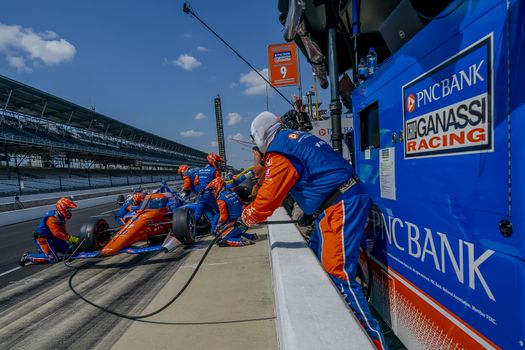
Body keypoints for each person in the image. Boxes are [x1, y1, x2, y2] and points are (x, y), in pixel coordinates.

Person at [237, 111, 387, 349]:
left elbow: (267, 200)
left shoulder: (280, 151)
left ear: (260, 136)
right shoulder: (294, 139)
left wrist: (244, 219)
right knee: (316, 254)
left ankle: (374, 341)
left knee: (337, 272)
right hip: (337, 203)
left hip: (341, 204)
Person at [19, 198, 80, 266]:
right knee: (53, 259)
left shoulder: (61, 217)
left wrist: (72, 239)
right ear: (62, 209)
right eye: (68, 210)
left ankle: (47, 251)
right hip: (43, 239)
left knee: (71, 251)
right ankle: (28, 256)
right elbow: (56, 233)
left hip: (54, 239)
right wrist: (70, 238)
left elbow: (63, 232)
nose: (69, 212)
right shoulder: (51, 218)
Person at [206, 177, 258, 246]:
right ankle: (251, 236)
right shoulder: (232, 192)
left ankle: (241, 241)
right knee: (232, 232)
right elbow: (242, 204)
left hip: (238, 223)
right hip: (245, 220)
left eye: (212, 189)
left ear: (217, 187)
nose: (212, 192)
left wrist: (217, 227)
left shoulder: (220, 199)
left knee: (221, 238)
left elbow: (223, 217)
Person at [193, 152, 223, 233]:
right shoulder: (214, 171)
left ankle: (190, 230)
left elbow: (195, 183)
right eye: (217, 162)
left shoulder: (199, 171)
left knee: (197, 215)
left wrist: (200, 190)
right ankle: (213, 230)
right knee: (219, 211)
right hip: (210, 194)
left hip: (201, 195)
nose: (218, 164)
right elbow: (219, 183)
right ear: (213, 161)